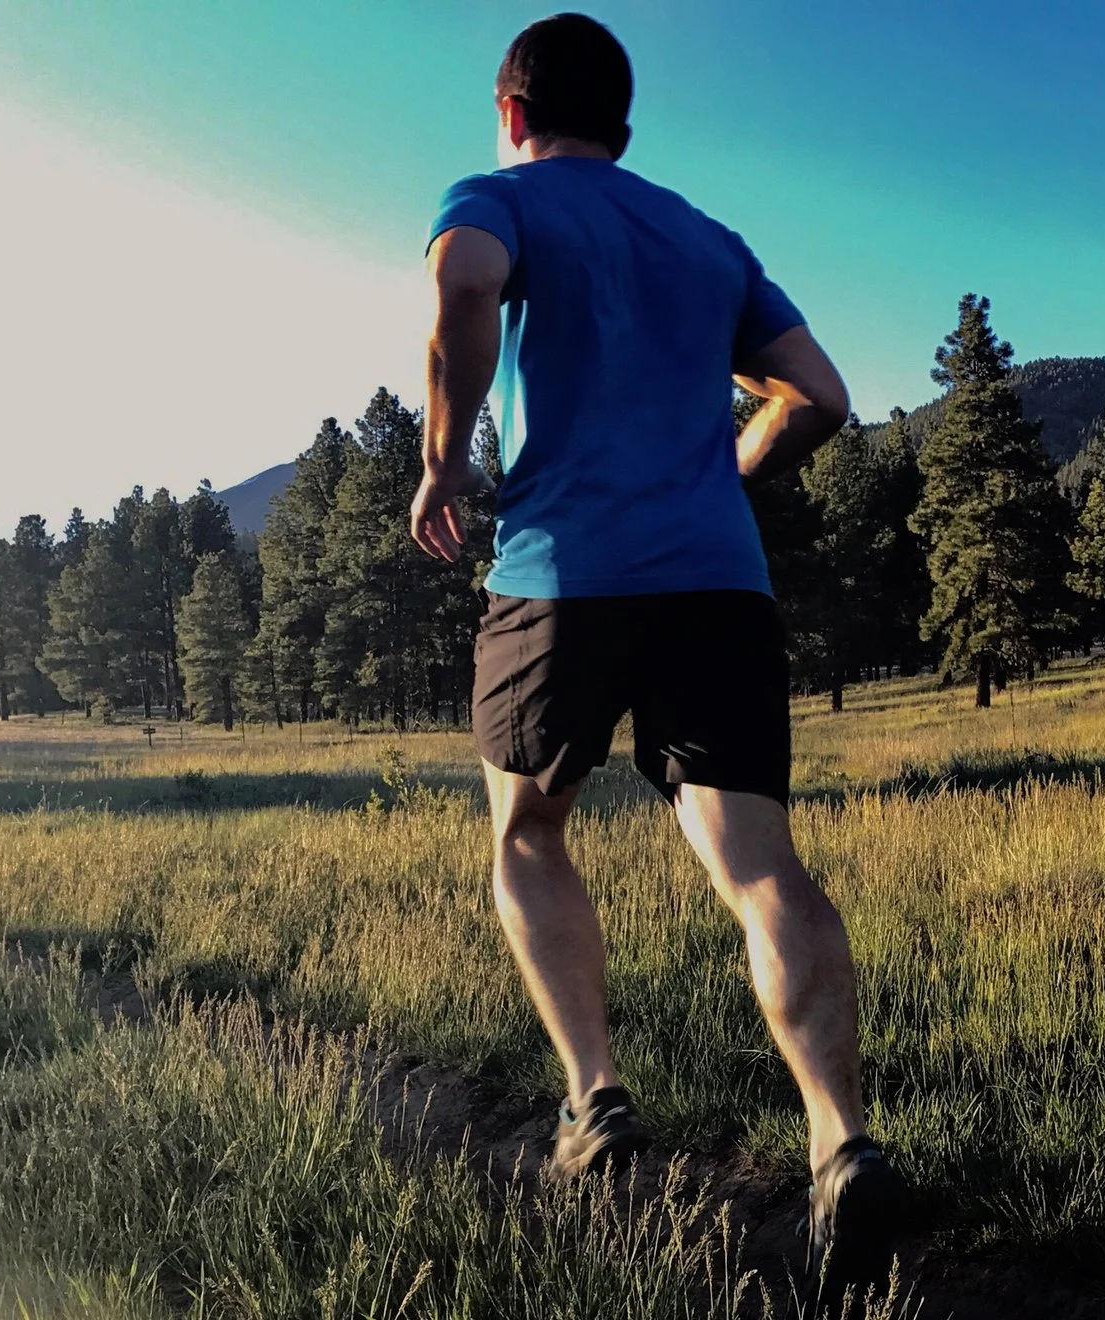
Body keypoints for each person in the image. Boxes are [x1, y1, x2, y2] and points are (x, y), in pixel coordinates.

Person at [407, 12, 907, 1301]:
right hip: (716, 584)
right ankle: (840, 1143)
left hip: (560, 578)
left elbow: (464, 284)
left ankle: (596, 1100)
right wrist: (732, 471)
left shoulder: (496, 196)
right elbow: (825, 399)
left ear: (513, 112)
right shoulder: (706, 238)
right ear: (625, 122)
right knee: (759, 868)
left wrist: (443, 463)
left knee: (526, 832)